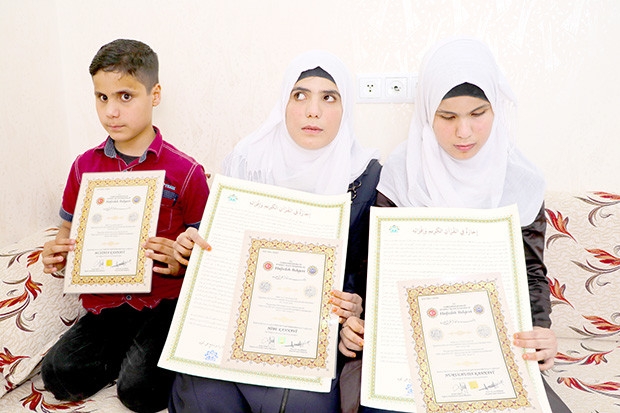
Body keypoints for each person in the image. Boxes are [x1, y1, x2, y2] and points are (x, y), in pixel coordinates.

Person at [339, 37, 572, 412]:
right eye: (447, 117)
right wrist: (356, 321)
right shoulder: (402, 175)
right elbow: (373, 273)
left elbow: (530, 271)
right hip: (408, 342)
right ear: (427, 115)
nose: (464, 132)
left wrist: (541, 332)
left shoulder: (518, 181)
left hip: (487, 346)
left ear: (496, 109)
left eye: (478, 113)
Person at [168, 50, 382, 413]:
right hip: (233, 325)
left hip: (314, 335)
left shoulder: (366, 175)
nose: (313, 111)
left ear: (346, 107)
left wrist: (357, 305)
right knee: (204, 396)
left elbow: (368, 274)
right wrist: (191, 244)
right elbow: (217, 242)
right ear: (284, 101)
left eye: (329, 98)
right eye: (300, 95)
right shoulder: (249, 161)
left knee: (300, 404)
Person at [40, 39, 209, 413]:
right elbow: (66, 235)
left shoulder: (186, 171)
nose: (111, 111)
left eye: (125, 97)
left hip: (163, 303)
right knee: (58, 376)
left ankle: (146, 360)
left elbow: (207, 254)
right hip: (107, 306)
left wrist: (180, 260)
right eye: (102, 98)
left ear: (155, 95)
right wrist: (57, 254)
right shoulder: (84, 167)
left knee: (140, 393)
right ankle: (131, 355)